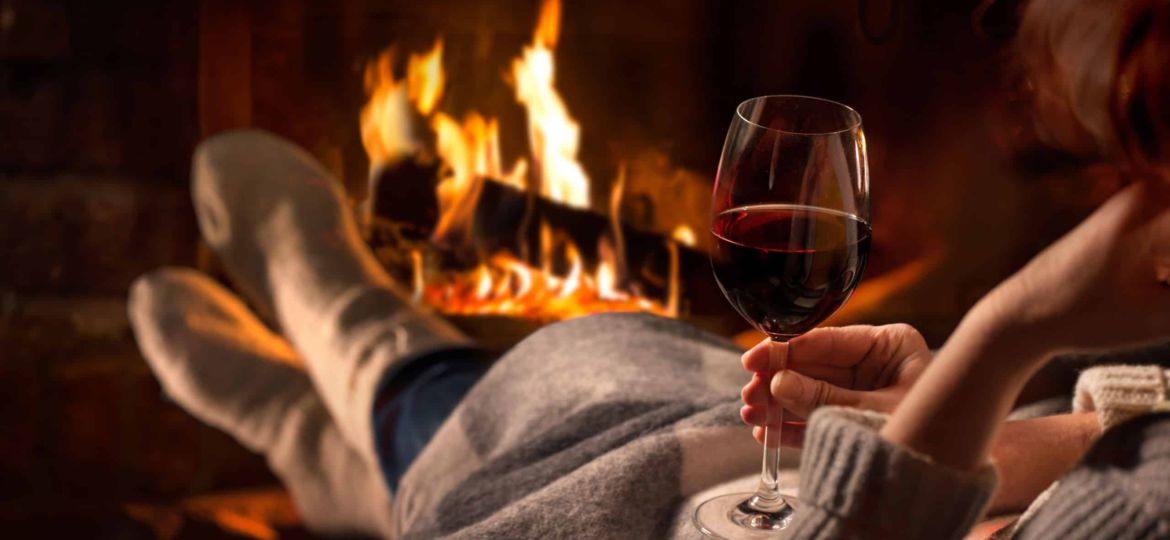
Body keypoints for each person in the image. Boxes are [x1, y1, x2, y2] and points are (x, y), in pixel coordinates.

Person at [127, 1, 1170, 538]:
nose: (998, 15)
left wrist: (1003, 337)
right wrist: (961, 412)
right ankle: (340, 445)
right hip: (927, 477)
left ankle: (365, 349)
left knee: (601, 421)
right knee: (674, 389)